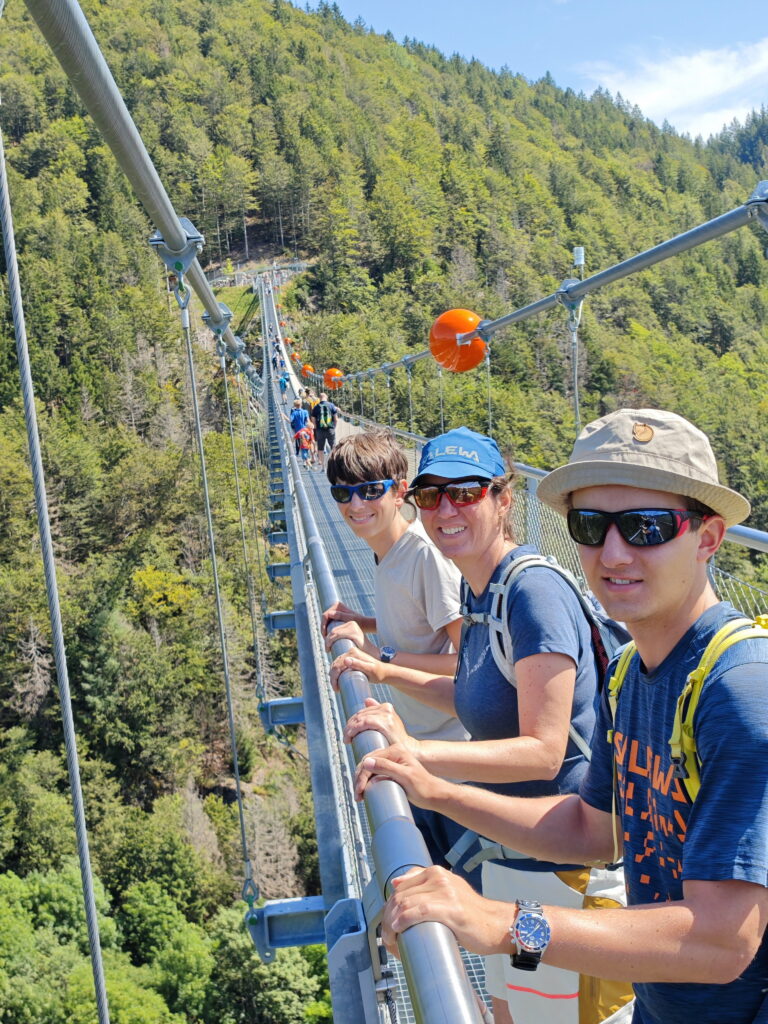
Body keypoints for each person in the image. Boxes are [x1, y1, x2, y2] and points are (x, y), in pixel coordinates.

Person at [357, 409, 768, 1024]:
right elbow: (590, 829)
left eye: (647, 527)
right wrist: (435, 790)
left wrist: (501, 922)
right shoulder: (632, 674)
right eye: (590, 525)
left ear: (708, 538)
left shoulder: (739, 690)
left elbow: (722, 939)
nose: (613, 551)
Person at [335, 427, 631, 1024]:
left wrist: (419, 754)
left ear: (503, 499)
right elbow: (470, 695)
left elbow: (543, 751)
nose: (446, 509)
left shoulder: (532, 593)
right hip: (517, 857)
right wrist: (387, 683)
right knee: (511, 1014)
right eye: (431, 495)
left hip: (566, 872)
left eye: (466, 493)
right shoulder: (480, 593)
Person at [322, 429, 482, 880]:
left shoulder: (424, 555)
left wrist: (379, 656)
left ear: (399, 491)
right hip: (416, 742)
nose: (356, 505)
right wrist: (368, 621)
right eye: (343, 492)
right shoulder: (388, 551)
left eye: (371, 491)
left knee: (458, 889)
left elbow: (465, 660)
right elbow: (419, 620)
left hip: (449, 758)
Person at [311, 392, 339, 470]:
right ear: (326, 397)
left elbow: (313, 418)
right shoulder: (331, 405)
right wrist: (334, 427)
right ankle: (334, 465)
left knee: (321, 448)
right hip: (330, 429)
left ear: (319, 398)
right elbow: (336, 419)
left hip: (320, 430)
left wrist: (316, 427)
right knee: (333, 447)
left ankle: (323, 466)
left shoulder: (316, 407)